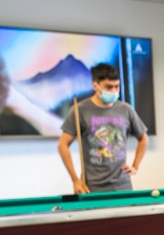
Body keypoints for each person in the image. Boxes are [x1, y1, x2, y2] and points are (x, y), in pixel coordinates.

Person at [58, 63, 148, 193]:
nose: (114, 91)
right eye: (109, 87)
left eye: (117, 86)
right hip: (91, 188)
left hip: (123, 187)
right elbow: (63, 144)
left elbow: (143, 138)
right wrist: (75, 180)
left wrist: (135, 166)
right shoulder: (79, 110)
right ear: (95, 86)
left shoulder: (126, 109)